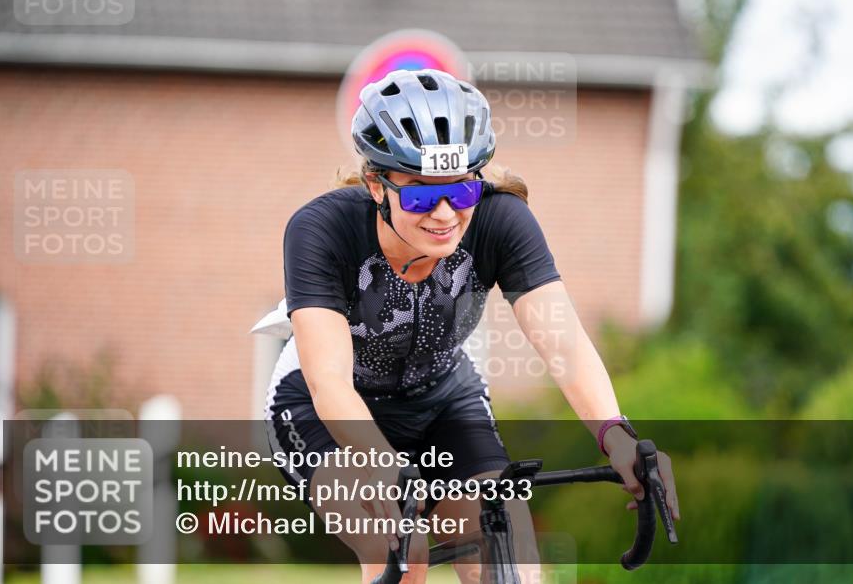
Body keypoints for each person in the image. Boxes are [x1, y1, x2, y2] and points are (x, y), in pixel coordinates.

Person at [262, 68, 680, 583]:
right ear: (376, 184)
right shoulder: (322, 230)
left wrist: (614, 434)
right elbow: (329, 383)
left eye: (460, 192)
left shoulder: (501, 220)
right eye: (418, 195)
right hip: (324, 408)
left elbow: (563, 345)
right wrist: (383, 467)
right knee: (401, 554)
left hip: (442, 397)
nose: (443, 214)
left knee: (509, 550)